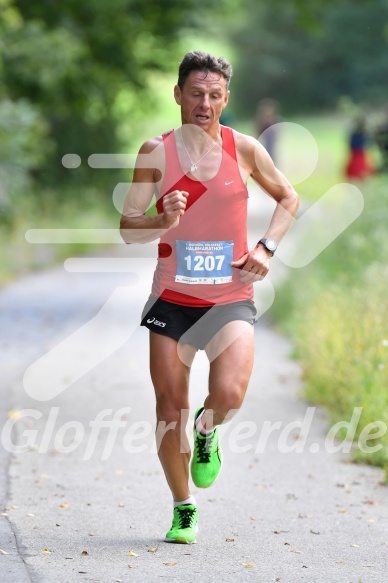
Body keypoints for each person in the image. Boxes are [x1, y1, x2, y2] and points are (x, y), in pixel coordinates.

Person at [120, 51, 299, 544]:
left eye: (214, 95)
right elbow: (127, 228)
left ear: (226, 99)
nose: (204, 103)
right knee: (167, 407)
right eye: (195, 93)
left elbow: (289, 197)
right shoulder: (155, 152)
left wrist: (266, 246)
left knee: (228, 394)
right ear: (177, 94)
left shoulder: (243, 149)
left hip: (230, 297)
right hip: (172, 300)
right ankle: (183, 508)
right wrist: (161, 218)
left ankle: (207, 430)